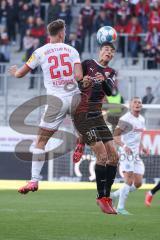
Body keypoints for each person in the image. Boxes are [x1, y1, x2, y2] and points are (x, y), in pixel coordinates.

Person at [9, 19, 83, 194]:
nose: (64, 34)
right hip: (74, 97)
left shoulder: (39, 52)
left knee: (41, 141)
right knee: (81, 126)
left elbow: (20, 74)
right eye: (64, 32)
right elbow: (79, 76)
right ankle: (81, 142)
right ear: (60, 33)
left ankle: (34, 181)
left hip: (55, 101)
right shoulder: (72, 50)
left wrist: (14, 72)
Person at [73, 42, 119, 214]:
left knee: (114, 157)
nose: (109, 52)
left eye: (112, 51)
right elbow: (77, 84)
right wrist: (82, 82)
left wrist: (104, 80)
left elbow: (111, 93)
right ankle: (100, 198)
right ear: (100, 51)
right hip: (82, 114)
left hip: (97, 115)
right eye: (106, 49)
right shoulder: (87, 64)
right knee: (102, 155)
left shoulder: (111, 73)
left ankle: (107, 196)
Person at [111, 97, 149, 215]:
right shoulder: (125, 119)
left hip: (136, 154)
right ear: (130, 105)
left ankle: (114, 195)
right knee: (129, 179)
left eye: (139, 102)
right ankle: (120, 208)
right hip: (126, 153)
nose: (137, 104)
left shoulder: (142, 119)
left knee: (138, 183)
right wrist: (124, 146)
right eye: (135, 102)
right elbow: (115, 136)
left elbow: (137, 136)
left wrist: (142, 146)